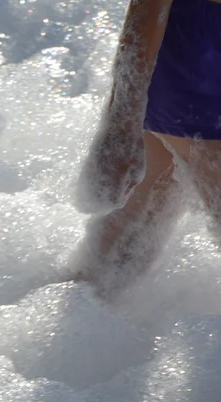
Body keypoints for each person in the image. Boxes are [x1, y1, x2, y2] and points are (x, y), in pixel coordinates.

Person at [72, 0, 221, 296]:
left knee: (149, 202)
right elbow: (147, 9)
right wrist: (120, 126)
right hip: (195, 57)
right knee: (150, 200)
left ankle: (76, 313)